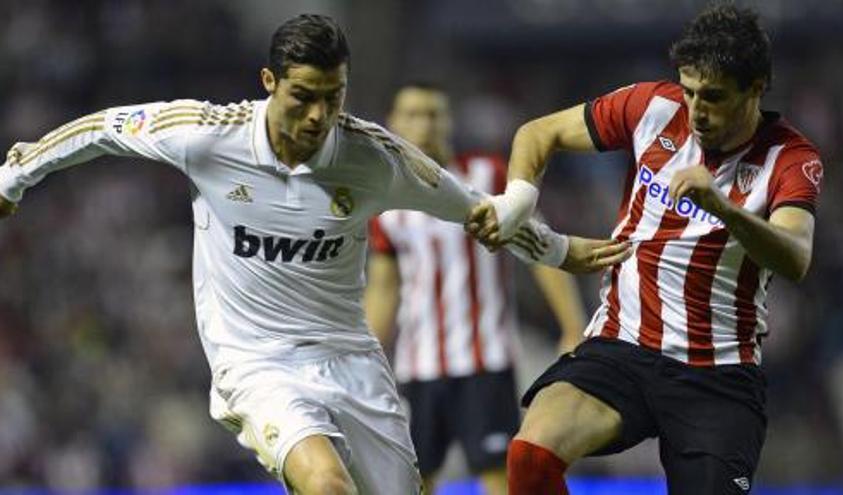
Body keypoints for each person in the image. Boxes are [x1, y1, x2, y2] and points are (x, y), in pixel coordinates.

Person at [0, 14, 631, 495]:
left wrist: (557, 250)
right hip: (257, 363)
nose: (318, 115)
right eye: (303, 96)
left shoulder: (373, 157)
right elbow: (103, 130)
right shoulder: (206, 136)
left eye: (334, 96)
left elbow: (478, 212)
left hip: (350, 361)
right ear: (269, 83)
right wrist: (16, 175)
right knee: (325, 484)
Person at [467, 4, 824, 494]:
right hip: (622, 347)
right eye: (690, 91)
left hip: (716, 374)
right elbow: (537, 133)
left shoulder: (791, 157)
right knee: (530, 456)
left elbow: (795, 256)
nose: (697, 110)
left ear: (756, 87)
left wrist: (723, 209)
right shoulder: (651, 107)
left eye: (714, 97)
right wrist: (518, 201)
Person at [364, 83, 587, 495]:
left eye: (433, 114)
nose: (424, 124)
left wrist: (573, 327)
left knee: (500, 480)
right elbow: (384, 288)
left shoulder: (489, 176)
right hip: (418, 367)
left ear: (448, 121)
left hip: (486, 362)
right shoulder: (385, 203)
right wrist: (364, 362)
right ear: (393, 124)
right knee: (411, 481)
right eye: (412, 114)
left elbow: (542, 250)